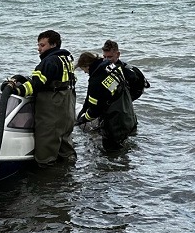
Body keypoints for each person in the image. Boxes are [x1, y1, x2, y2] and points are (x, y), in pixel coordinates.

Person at [8, 29, 77, 166]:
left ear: (53, 45)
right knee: (65, 143)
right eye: (38, 45)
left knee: (46, 145)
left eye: (42, 45)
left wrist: (18, 90)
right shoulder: (66, 59)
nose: (38, 49)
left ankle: (47, 179)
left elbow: (37, 83)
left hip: (52, 111)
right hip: (67, 109)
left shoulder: (49, 61)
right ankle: (68, 173)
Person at [75, 51, 137, 151]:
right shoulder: (111, 67)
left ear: (87, 66)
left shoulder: (96, 81)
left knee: (111, 154)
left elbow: (95, 110)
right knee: (126, 147)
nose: (85, 73)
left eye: (83, 70)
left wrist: (84, 119)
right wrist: (83, 110)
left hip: (115, 123)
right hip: (129, 116)